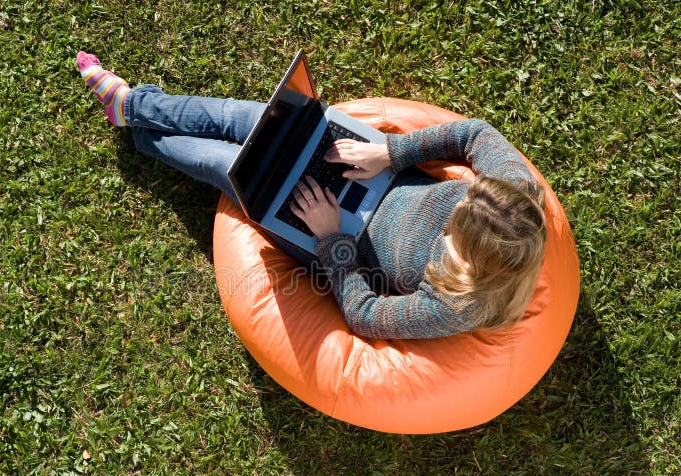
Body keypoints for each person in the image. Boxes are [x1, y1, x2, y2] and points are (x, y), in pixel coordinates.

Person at [76, 51, 547, 340]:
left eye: (452, 230)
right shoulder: (516, 197)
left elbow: (365, 315)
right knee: (248, 119)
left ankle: (143, 135)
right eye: (462, 202)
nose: (452, 211)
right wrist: (389, 152)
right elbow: (476, 135)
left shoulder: (455, 306)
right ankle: (133, 103)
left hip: (332, 231)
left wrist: (331, 239)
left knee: (224, 166)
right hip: (377, 173)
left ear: (467, 263)